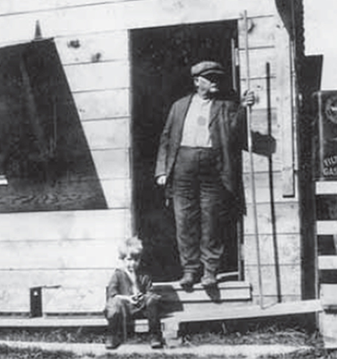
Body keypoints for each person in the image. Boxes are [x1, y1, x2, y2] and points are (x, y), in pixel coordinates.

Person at [155, 60, 275, 289]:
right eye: (209, 78)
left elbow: (235, 134)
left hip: (214, 168)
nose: (214, 82)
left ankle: (210, 271)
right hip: (182, 166)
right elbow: (166, 138)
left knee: (211, 220)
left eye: (217, 78)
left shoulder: (225, 106)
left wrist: (243, 109)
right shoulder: (179, 106)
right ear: (196, 81)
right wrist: (162, 170)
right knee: (184, 220)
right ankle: (190, 271)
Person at [103, 237, 163, 350]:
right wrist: (127, 298)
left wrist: (143, 296)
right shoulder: (118, 274)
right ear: (122, 259)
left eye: (136, 260)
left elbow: (150, 291)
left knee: (152, 299)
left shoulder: (144, 275)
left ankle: (154, 335)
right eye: (129, 259)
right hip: (124, 308)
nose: (133, 263)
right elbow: (112, 294)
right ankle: (112, 336)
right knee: (114, 303)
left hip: (141, 308)